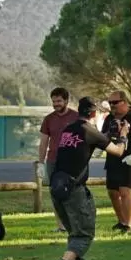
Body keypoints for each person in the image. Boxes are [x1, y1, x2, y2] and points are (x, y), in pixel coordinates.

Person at [48, 96, 130, 260]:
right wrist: (123, 135)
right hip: (73, 189)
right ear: (94, 113)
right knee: (84, 233)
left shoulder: (68, 129)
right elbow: (117, 151)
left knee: (74, 230)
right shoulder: (89, 130)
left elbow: (91, 142)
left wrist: (109, 134)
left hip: (57, 186)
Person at [101, 89, 131, 233]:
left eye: (115, 102)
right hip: (112, 158)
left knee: (125, 190)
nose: (112, 105)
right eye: (110, 103)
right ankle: (121, 221)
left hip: (128, 159)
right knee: (112, 192)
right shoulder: (109, 118)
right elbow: (103, 136)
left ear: (125, 102)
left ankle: (128, 224)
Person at [38, 87, 80, 232]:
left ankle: (75, 224)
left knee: (73, 192)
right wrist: (41, 163)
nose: (56, 104)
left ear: (66, 101)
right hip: (53, 161)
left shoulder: (76, 117)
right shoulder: (48, 119)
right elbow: (43, 142)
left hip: (72, 161)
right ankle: (61, 226)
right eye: (54, 101)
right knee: (55, 193)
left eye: (59, 101)